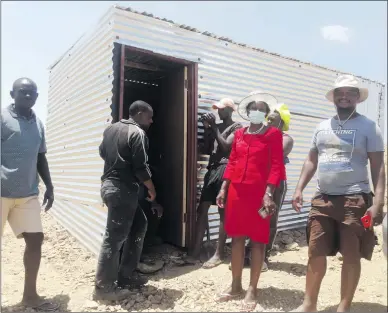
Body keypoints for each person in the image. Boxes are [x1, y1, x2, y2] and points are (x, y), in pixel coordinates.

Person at [292, 74, 386, 312]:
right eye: (339, 92)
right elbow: (311, 160)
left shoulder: (369, 127)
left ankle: (344, 307)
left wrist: (378, 202)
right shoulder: (322, 126)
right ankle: (309, 304)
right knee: (315, 252)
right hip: (322, 199)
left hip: (355, 199)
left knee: (351, 255)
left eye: (349, 92)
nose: (344, 96)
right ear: (333, 97)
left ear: (357, 97)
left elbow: (378, 166)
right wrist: (299, 188)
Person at [215, 92, 285, 311]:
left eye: (261, 109)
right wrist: (224, 187)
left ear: (265, 113)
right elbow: (232, 161)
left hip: (259, 194)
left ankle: (252, 289)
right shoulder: (239, 134)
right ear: (247, 113)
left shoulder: (273, 134)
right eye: (253, 109)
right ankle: (236, 284)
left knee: (257, 241)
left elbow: (276, 166)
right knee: (236, 238)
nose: (257, 112)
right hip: (236, 191)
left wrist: (268, 193)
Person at [1, 78, 58, 311]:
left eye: (33, 93)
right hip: (1, 192)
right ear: (12, 93)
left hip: (27, 193)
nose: (29, 96)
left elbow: (40, 157)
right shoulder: (3, 119)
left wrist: (50, 186)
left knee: (35, 240)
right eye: (23, 92)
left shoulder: (38, 124)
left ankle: (30, 296)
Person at [94, 100, 156, 301]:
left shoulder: (110, 129)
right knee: (114, 238)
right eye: (149, 116)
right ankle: (104, 289)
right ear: (138, 113)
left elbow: (102, 152)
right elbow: (141, 167)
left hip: (111, 187)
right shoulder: (137, 133)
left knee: (139, 225)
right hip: (122, 189)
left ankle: (125, 276)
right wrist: (151, 188)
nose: (151, 120)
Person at [188, 98, 242, 268]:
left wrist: (214, 129)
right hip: (212, 170)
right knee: (202, 209)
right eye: (217, 109)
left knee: (222, 212)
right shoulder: (215, 127)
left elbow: (226, 147)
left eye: (221, 109)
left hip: (226, 170)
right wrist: (207, 131)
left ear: (230, 110)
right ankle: (195, 252)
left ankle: (219, 254)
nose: (218, 112)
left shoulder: (237, 127)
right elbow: (206, 150)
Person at [242, 102, 294, 272]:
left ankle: (264, 256)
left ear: (281, 123)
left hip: (276, 183)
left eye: (273, 120)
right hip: (256, 181)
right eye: (268, 119)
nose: (269, 122)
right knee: (252, 216)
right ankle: (247, 254)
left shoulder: (286, 139)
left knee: (269, 218)